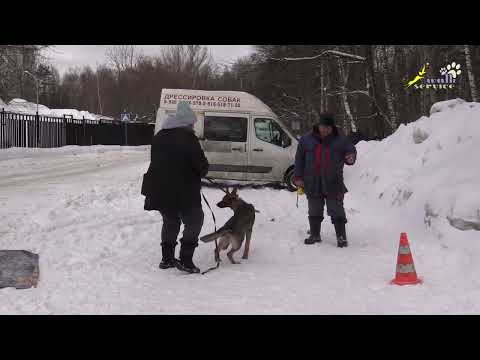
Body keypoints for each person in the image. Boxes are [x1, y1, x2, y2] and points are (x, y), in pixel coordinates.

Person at [141, 101, 209, 273]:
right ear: (186, 123)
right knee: (194, 221)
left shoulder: (159, 136)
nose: (193, 126)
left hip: (160, 190)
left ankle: (167, 259)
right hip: (184, 191)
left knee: (170, 221)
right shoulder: (189, 138)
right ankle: (186, 260)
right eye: (192, 123)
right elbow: (202, 167)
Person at [293, 113, 357, 247]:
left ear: (332, 127)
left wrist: (350, 157)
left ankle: (341, 238)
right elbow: (299, 159)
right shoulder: (306, 140)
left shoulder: (340, 139)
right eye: (323, 126)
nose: (325, 130)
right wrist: (298, 177)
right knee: (314, 209)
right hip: (313, 181)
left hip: (333, 181)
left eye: (328, 127)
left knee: (336, 209)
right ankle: (315, 235)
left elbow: (350, 150)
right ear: (318, 125)